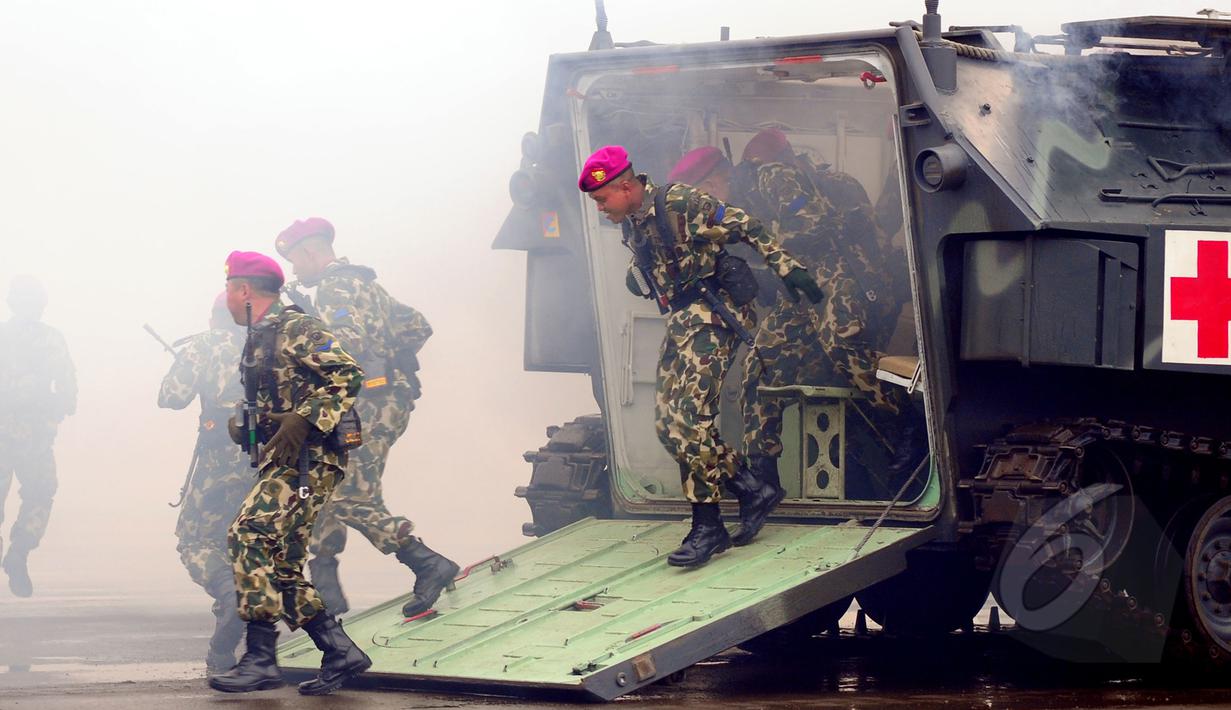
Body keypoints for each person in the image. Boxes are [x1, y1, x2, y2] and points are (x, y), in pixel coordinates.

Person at [580, 145, 823, 568]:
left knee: (688, 422)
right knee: (668, 425)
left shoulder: (679, 201)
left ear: (626, 187)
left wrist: (787, 268)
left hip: (714, 315)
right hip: (684, 320)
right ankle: (749, 490)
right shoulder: (634, 221)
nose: (600, 208)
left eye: (602, 199)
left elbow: (746, 224)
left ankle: (710, 524)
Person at [274, 217, 458, 620]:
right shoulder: (365, 283)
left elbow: (348, 340)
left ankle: (426, 562)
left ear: (310, 252)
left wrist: (303, 338)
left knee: (350, 496)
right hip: (379, 399)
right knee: (327, 480)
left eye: (295, 261)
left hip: (373, 403)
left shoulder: (335, 286)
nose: (295, 271)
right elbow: (417, 326)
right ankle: (325, 579)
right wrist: (394, 359)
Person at [207, 251, 369, 696]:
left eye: (229, 288)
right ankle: (339, 650)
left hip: (311, 460)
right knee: (280, 563)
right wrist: (249, 427)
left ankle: (261, 658)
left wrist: (304, 418)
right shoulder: (260, 336)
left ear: (243, 290)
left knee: (249, 534)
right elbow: (281, 395)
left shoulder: (296, 327)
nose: (225, 297)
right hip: (285, 460)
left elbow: (347, 374)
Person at [731, 129, 924, 499]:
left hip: (848, 282)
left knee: (842, 348)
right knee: (759, 365)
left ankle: (911, 420)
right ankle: (763, 476)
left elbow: (811, 225)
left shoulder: (817, 182)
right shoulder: (770, 189)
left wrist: (763, 238)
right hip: (803, 295)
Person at [157, 293, 250, 673]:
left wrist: (187, 364)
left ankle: (230, 596)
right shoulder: (270, 343)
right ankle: (236, 644)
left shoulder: (206, 344)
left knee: (196, 540)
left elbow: (171, 397)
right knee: (249, 543)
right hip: (269, 459)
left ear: (214, 317)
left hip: (219, 459)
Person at [0, 275, 76, 597]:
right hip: (35, 437)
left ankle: (15, 553)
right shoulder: (51, 339)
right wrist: (57, 410)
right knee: (40, 494)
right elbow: (68, 389)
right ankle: (19, 551)